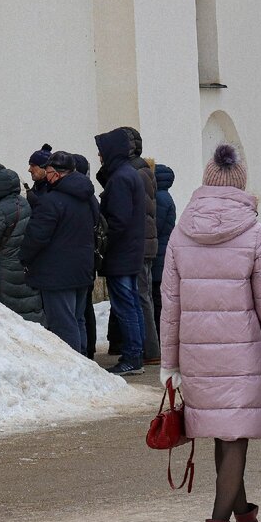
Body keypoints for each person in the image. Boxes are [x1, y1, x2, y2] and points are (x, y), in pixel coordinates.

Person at [159, 144, 261, 522]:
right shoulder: (254, 232)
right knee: (233, 437)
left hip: (197, 353)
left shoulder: (180, 232)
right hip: (241, 352)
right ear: (240, 185)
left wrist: (169, 362)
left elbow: (170, 303)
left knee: (223, 431)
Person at [20, 151, 98, 353]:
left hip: (57, 274)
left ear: (55, 173)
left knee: (63, 324)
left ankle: (72, 373)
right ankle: (85, 365)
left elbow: (36, 236)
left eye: (47, 170)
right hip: (83, 268)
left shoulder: (51, 201)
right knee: (77, 319)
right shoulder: (88, 197)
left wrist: (24, 258)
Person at [95, 128, 147, 375]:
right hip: (130, 250)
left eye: (101, 151)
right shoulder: (127, 174)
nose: (99, 156)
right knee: (132, 304)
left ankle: (132, 357)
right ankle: (136, 353)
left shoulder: (120, 178)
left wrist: (104, 242)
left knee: (125, 306)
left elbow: (117, 220)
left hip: (121, 253)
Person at [0, 162, 43, 324]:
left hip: (6, 268)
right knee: (28, 307)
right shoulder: (24, 203)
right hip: (26, 265)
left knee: (10, 315)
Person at [120, 127, 162, 365]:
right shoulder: (143, 169)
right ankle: (150, 347)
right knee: (143, 295)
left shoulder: (134, 171)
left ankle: (150, 349)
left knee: (142, 296)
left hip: (140, 242)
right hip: (147, 241)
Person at [75, 153, 99, 359]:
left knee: (83, 309)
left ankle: (87, 349)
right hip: (87, 258)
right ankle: (89, 348)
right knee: (85, 308)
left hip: (82, 258)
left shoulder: (83, 197)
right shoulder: (89, 196)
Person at [152, 162, 177, 334]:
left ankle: (159, 334)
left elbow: (155, 226)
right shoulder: (165, 196)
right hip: (163, 250)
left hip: (158, 253)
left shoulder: (160, 199)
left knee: (156, 297)